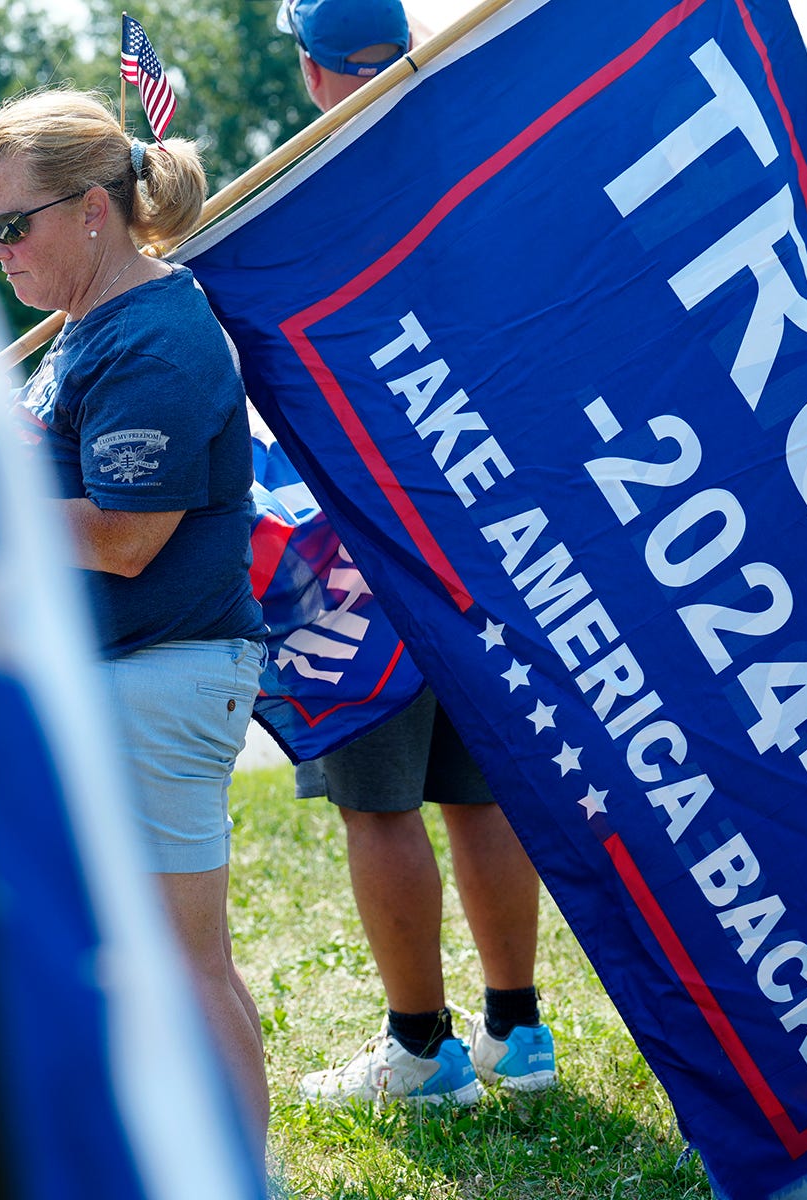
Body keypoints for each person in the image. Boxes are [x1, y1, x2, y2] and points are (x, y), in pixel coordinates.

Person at [0, 91, 273, 1159]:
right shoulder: (101, 327)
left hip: (157, 676)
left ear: (95, 210)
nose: (0, 251)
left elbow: (126, 536)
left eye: (15, 224)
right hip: (135, 674)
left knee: (183, 967)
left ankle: (234, 1171)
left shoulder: (148, 334)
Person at [276, 0, 559, 1106]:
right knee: (479, 793)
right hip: (486, 533)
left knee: (378, 803)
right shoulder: (474, 159)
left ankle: (420, 1047)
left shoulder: (289, 200)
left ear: (310, 70)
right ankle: (518, 1034)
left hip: (364, 548)